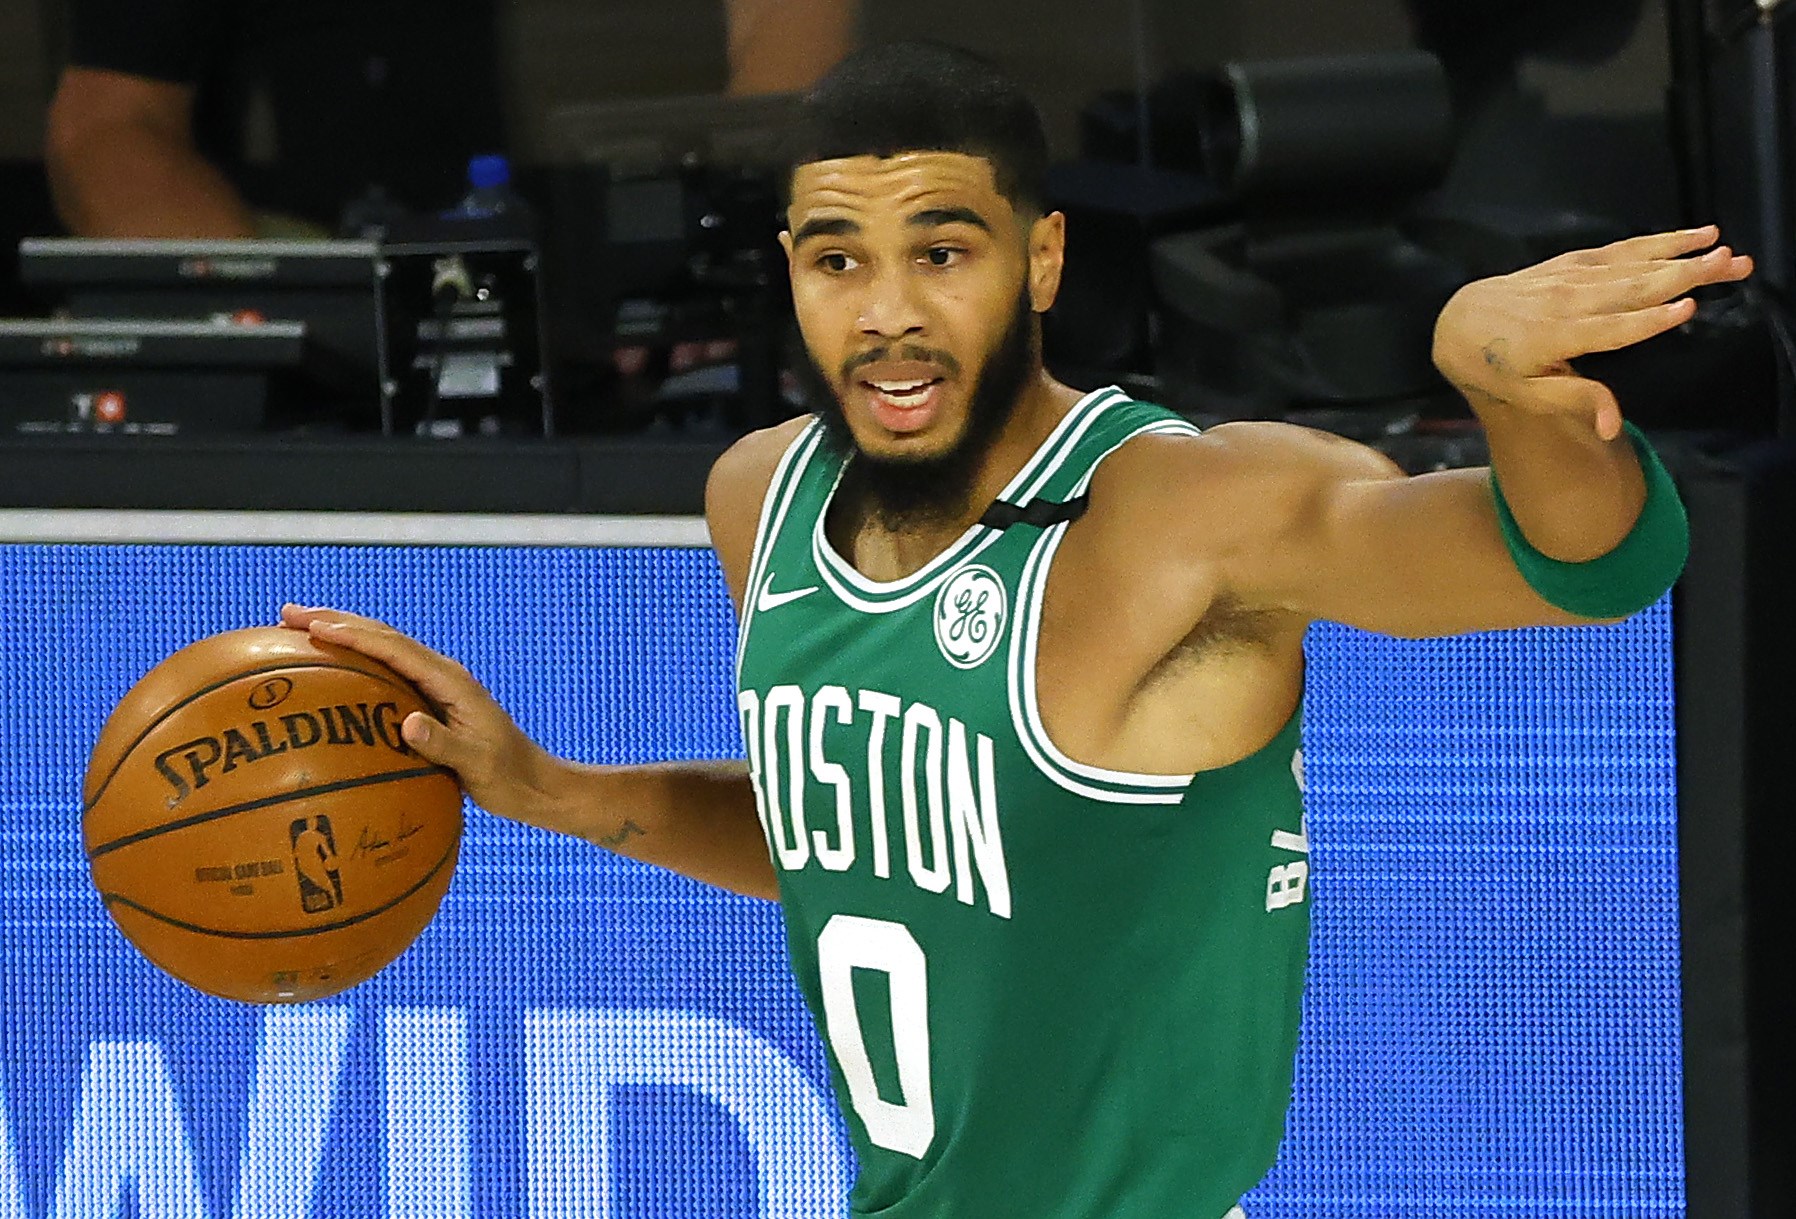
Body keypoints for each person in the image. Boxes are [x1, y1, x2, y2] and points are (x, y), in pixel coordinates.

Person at [280, 41, 1748, 1219]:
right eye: (838, 260)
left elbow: (1588, 561)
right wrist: (552, 788)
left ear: (1041, 261)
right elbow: (848, 841)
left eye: (942, 252)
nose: (886, 314)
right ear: (789, 268)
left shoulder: (1175, 508)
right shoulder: (761, 498)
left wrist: (1504, 392)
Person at [44, 0, 859, 239]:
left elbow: (796, 67)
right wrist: (285, 314)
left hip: (658, 335)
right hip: (348, 351)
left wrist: (726, 257)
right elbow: (106, 129)